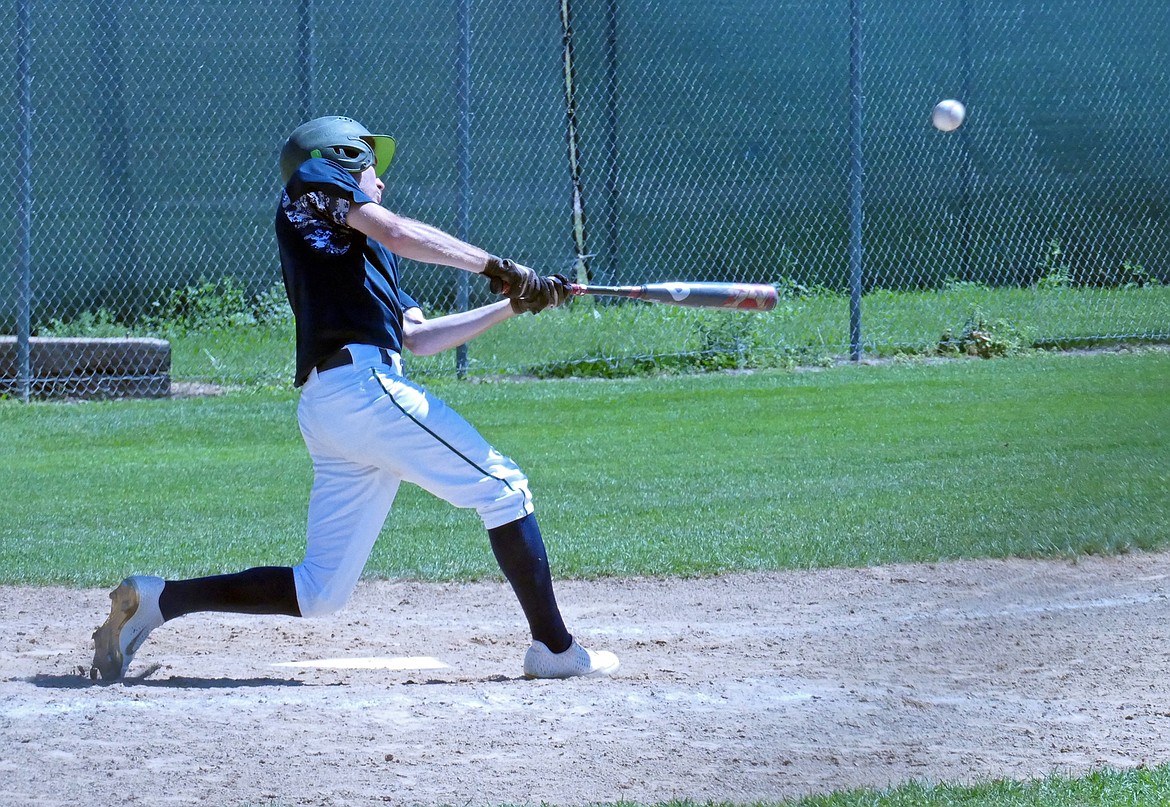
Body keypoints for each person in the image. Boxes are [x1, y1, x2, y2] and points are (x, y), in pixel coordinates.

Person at [91, 115, 619, 681]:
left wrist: (515, 302)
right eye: (370, 166)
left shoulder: (362, 255)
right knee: (505, 488)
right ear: (338, 159)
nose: (380, 180)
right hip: (362, 392)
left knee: (321, 590)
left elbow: (420, 337)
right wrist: (498, 267)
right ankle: (556, 650)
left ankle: (157, 600)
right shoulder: (312, 183)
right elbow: (395, 229)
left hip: (340, 406)